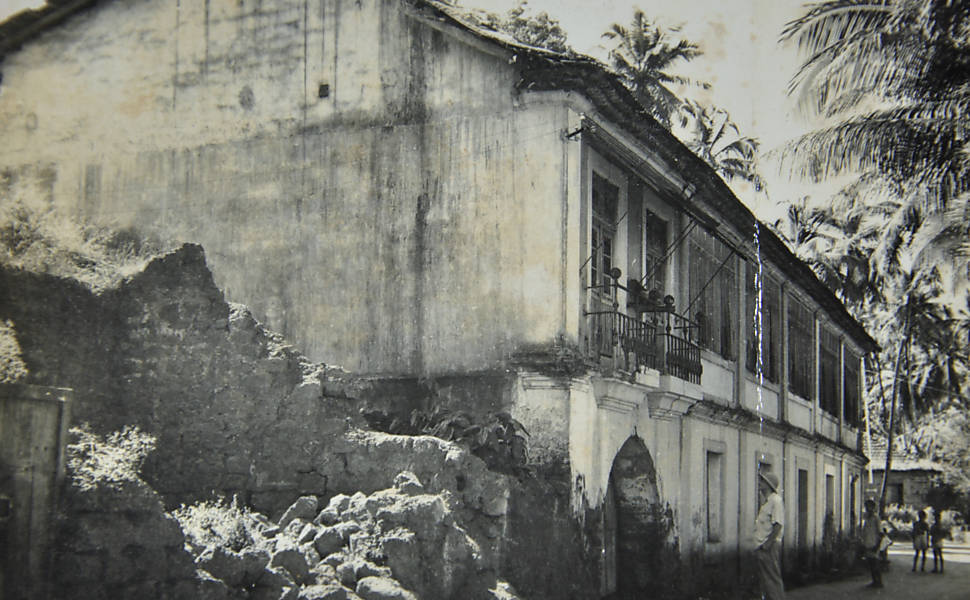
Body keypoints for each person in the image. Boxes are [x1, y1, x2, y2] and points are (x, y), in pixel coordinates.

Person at [754, 472, 785, 600]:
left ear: (768, 485)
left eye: (762, 481)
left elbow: (778, 525)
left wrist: (767, 545)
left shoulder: (776, 501)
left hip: (769, 546)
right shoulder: (767, 502)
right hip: (762, 545)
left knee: (772, 579)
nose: (759, 483)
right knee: (765, 581)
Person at [861, 499, 883, 588]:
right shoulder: (867, 519)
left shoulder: (876, 518)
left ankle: (879, 581)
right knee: (870, 564)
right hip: (867, 543)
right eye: (866, 507)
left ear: (873, 508)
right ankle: (874, 581)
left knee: (875, 564)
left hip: (874, 544)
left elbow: (881, 533)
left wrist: (877, 545)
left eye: (869, 507)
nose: (867, 509)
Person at [930, 509, 946, 574]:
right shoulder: (941, 526)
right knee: (939, 554)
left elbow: (931, 532)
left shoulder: (935, 526)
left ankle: (937, 568)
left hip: (936, 540)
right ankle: (940, 568)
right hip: (938, 540)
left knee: (937, 554)